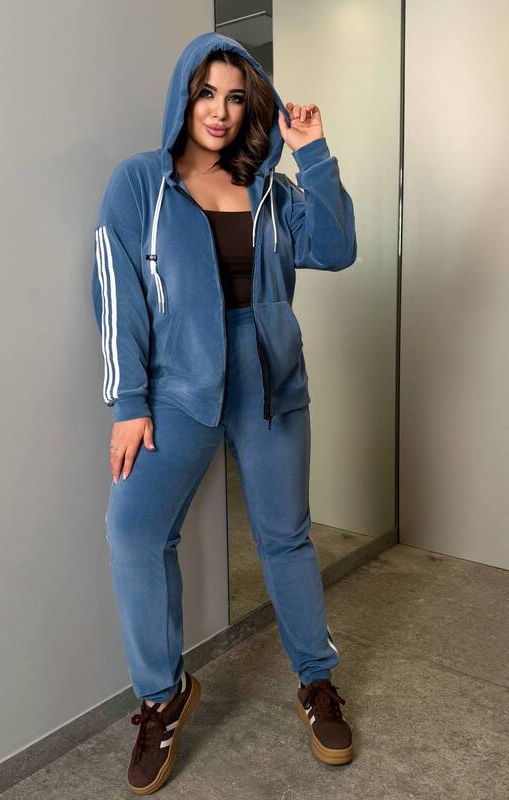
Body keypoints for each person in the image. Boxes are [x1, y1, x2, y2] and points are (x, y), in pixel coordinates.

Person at [92, 31, 357, 795]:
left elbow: (335, 250)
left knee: (285, 538)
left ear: (252, 109)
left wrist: (312, 153)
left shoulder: (271, 186)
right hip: (177, 386)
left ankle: (316, 681)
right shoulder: (141, 183)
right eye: (206, 93)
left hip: (270, 382)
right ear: (184, 97)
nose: (219, 110)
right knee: (135, 532)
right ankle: (162, 695)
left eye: (236, 97)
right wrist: (128, 402)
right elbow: (117, 294)